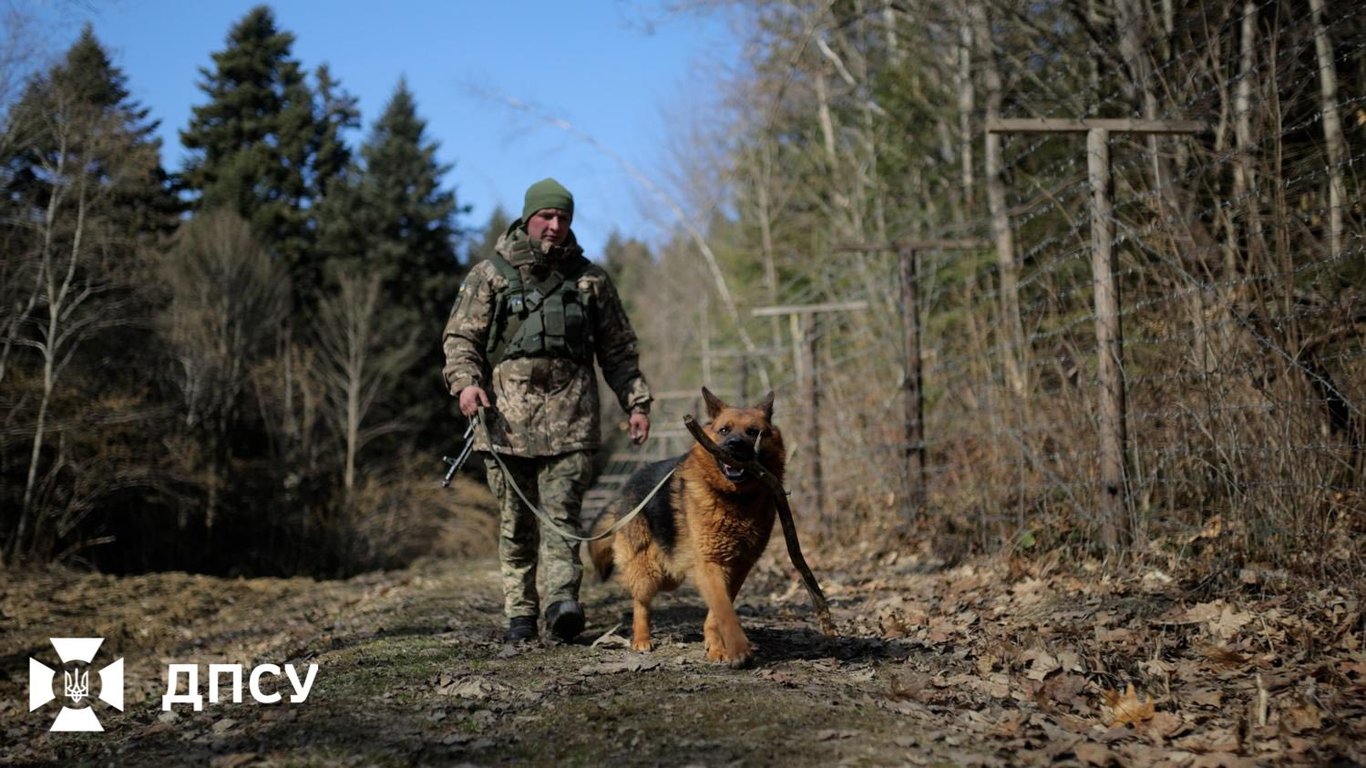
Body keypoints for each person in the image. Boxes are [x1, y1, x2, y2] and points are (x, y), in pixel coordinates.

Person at [442, 178, 652, 644]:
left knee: (562, 518)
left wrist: (636, 402)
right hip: (504, 423)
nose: (555, 226)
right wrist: (467, 385)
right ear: (528, 218)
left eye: (563, 218)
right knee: (516, 524)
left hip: (572, 421)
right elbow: (461, 341)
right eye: (546, 217)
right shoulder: (489, 276)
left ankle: (562, 603)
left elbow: (618, 350)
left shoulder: (590, 280)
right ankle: (520, 612)